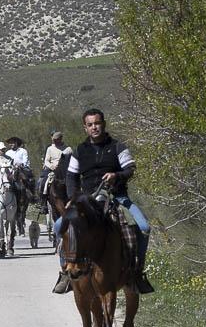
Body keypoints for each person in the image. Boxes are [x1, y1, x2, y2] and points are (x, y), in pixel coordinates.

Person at [52, 109, 154, 295]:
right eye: (90, 125)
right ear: (85, 128)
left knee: (144, 227)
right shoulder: (79, 151)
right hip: (87, 201)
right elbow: (71, 177)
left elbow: (130, 169)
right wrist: (73, 199)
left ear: (103, 124)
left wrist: (116, 175)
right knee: (59, 226)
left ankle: (137, 273)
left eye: (97, 123)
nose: (94, 127)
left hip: (117, 198)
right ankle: (66, 271)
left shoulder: (117, 147)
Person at [38, 131, 72, 199]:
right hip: (52, 169)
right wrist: (52, 166)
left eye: (57, 140)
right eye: (54, 140)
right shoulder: (50, 149)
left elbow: (72, 161)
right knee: (43, 181)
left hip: (65, 170)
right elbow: (46, 161)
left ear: (61, 139)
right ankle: (43, 201)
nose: (55, 141)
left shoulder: (68, 149)